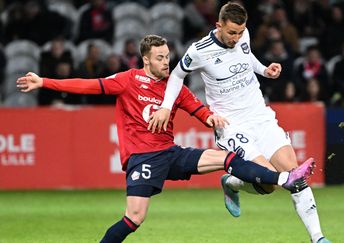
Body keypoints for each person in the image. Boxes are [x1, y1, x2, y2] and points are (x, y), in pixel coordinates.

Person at [16, 34, 315, 243]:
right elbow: (87, 86)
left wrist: (212, 118)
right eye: (160, 58)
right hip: (143, 158)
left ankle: (283, 179)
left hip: (169, 153)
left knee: (225, 158)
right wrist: (44, 81)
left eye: (168, 56)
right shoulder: (128, 80)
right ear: (146, 60)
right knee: (134, 218)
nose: (166, 62)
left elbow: (197, 107)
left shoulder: (174, 87)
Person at [148, 3, 331, 243]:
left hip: (261, 116)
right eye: (231, 32)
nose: (236, 37)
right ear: (219, 25)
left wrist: (265, 70)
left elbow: (247, 58)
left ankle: (318, 238)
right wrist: (165, 106)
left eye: (240, 31)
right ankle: (233, 183)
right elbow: (176, 76)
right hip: (231, 124)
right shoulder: (199, 50)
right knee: (270, 183)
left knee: (294, 175)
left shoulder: (243, 35)